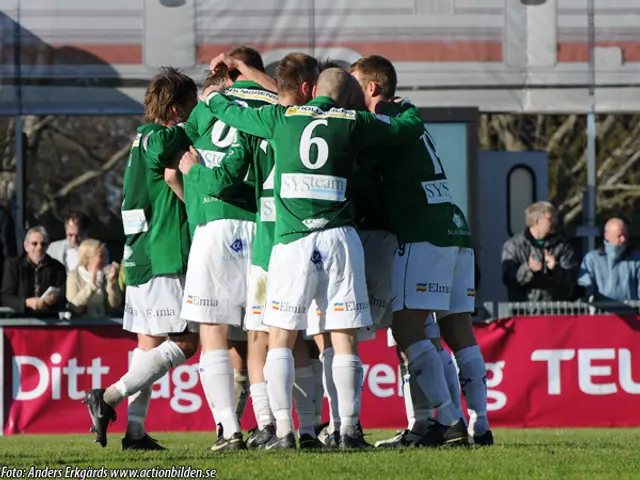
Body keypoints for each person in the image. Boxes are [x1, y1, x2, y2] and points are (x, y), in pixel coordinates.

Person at [205, 67, 424, 449]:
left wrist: (215, 98)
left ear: (312, 90)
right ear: (346, 96)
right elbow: (403, 130)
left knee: (281, 338)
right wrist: (410, 110)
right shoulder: (354, 120)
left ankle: (285, 432)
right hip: (340, 238)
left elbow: (232, 114)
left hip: (293, 240)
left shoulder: (281, 116)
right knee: (343, 338)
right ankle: (348, 430)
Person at [181, 52, 323, 449]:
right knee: (295, 336)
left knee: (228, 333)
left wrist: (193, 188)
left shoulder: (219, 104)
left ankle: (242, 427)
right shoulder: (281, 102)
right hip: (281, 229)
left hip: (231, 227)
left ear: (223, 73)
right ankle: (313, 426)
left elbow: (179, 161)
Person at [83, 66, 199, 451]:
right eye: (194, 106)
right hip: (163, 254)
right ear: (177, 109)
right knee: (186, 342)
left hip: (140, 256)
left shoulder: (142, 138)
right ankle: (109, 397)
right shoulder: (162, 136)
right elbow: (188, 139)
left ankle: (134, 433)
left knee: (147, 348)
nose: (198, 112)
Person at [180, 46, 275, 452]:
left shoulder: (210, 104)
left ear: (224, 72)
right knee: (259, 334)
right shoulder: (271, 102)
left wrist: (191, 177)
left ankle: (228, 429)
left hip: (215, 224)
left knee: (212, 332)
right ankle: (272, 423)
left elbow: (175, 160)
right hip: (258, 229)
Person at [502, 201, 578, 302]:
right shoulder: (514, 245)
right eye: (550, 219)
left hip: (555, 312)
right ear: (537, 221)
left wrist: (555, 270)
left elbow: (572, 276)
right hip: (524, 312)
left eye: (555, 218)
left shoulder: (562, 245)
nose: (555, 222)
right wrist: (528, 269)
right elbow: (508, 277)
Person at [2, 226, 66, 315]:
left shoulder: (58, 268)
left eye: (43, 244)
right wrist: (26, 302)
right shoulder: (13, 265)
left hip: (47, 322)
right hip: (19, 321)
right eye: (34, 243)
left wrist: (52, 300)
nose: (39, 248)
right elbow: (5, 297)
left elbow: (64, 297)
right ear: (26, 246)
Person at [578, 217, 640, 301]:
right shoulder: (592, 259)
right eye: (619, 235)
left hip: (632, 313)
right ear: (607, 235)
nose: (623, 239)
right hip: (602, 313)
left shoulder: (636, 258)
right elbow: (585, 287)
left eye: (625, 235)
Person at [66, 239, 121, 317]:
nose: (104, 259)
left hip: (105, 323)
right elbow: (75, 306)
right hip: (82, 325)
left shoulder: (107, 274)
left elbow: (115, 304)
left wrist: (111, 283)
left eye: (104, 255)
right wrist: (91, 285)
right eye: (101, 256)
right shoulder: (74, 276)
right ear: (88, 258)